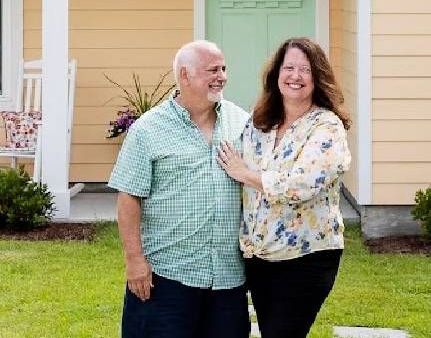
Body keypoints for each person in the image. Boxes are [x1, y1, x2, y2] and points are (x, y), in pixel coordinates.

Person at [108, 40, 250, 338]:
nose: (222, 76)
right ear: (185, 76)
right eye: (212, 69)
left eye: (224, 68)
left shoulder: (241, 121)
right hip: (167, 277)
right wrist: (135, 261)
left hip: (228, 278)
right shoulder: (148, 129)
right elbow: (129, 196)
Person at [217, 37, 351, 338]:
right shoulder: (260, 122)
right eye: (288, 67)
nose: (295, 76)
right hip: (260, 256)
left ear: (317, 77)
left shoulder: (326, 127)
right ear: (276, 74)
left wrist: (245, 173)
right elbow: (227, 156)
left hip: (306, 258)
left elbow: (300, 186)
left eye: (305, 69)